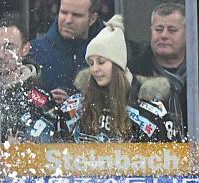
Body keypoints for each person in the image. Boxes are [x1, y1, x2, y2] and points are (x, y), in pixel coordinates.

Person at [28, 15, 176, 143]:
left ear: (118, 65)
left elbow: (170, 158)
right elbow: (48, 143)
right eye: (91, 63)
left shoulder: (150, 111)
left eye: (101, 62)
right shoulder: (75, 106)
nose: (95, 69)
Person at [129, 3, 187, 141]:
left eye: (172, 30)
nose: (164, 35)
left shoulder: (195, 72)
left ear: (188, 32)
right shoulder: (132, 74)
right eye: (158, 29)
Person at [29, 0, 103, 103]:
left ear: (92, 19)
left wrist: (79, 103)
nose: (68, 20)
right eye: (63, 12)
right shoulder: (34, 51)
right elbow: (23, 96)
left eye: (76, 15)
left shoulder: (106, 56)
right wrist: (46, 100)